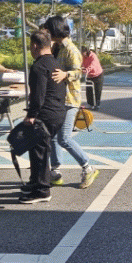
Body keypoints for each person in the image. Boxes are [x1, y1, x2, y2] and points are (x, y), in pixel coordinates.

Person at [43, 16, 99, 189]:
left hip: (69, 99)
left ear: (55, 30)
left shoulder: (71, 49)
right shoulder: (57, 47)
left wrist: (65, 74)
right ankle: (55, 171)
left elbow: (78, 72)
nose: (46, 33)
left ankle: (88, 168)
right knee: (53, 136)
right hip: (57, 99)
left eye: (48, 30)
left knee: (64, 138)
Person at [18, 30, 67, 204]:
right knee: (40, 150)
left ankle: (41, 190)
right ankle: (35, 182)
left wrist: (31, 115)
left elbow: (38, 95)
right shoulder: (55, 62)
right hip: (58, 112)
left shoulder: (39, 66)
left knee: (39, 152)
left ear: (34, 45)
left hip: (44, 114)